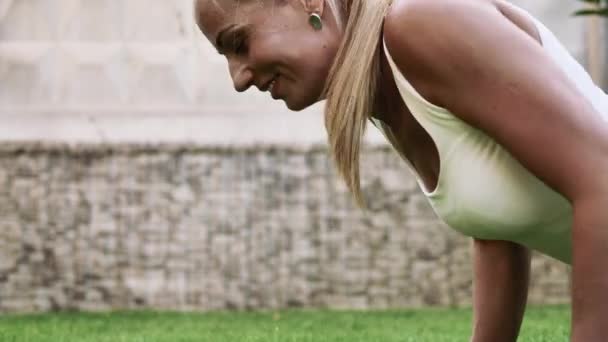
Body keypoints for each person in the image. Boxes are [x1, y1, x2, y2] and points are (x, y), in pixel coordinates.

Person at [194, 0, 608, 340]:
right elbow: (495, 226)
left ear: (310, 3)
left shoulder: (420, 22)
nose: (238, 78)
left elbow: (601, 177)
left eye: (240, 42)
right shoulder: (383, 89)